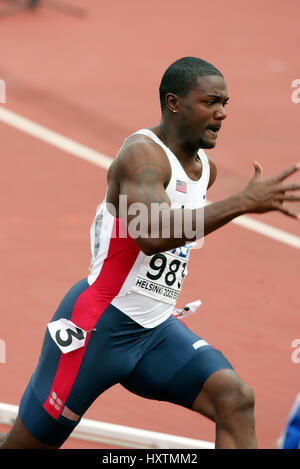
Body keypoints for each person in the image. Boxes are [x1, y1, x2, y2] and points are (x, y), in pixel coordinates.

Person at [1, 57, 299, 450]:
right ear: (173, 103)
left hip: (154, 332)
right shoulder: (142, 155)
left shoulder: (203, 169)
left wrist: (239, 202)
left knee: (235, 397)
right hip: (96, 330)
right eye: (210, 102)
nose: (222, 113)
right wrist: (242, 202)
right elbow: (151, 235)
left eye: (225, 103)